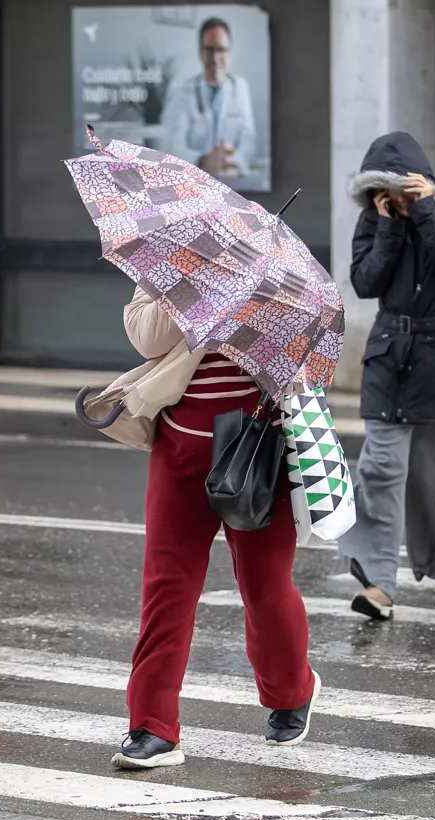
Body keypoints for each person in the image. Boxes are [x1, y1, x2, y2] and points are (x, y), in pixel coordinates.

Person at [111, 285, 318, 769]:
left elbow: (301, 348)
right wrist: (195, 289)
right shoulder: (170, 266)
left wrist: (258, 299)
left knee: (264, 585)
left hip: (258, 449)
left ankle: (291, 690)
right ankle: (154, 726)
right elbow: (147, 339)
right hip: (180, 450)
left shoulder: (276, 278)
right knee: (167, 586)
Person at [337, 131, 435, 621]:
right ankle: (379, 581)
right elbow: (365, 282)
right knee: (379, 468)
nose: (394, 200)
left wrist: (425, 213)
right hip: (389, 357)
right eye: (385, 193)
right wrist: (388, 228)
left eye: (401, 190)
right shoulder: (373, 221)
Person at [161, 17, 260, 189]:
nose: (215, 58)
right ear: (200, 53)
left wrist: (231, 161)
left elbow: (249, 143)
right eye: (209, 50)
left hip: (233, 186)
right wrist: (204, 161)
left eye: (221, 50)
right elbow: (172, 147)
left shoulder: (241, 88)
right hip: (191, 187)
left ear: (230, 53)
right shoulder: (182, 91)